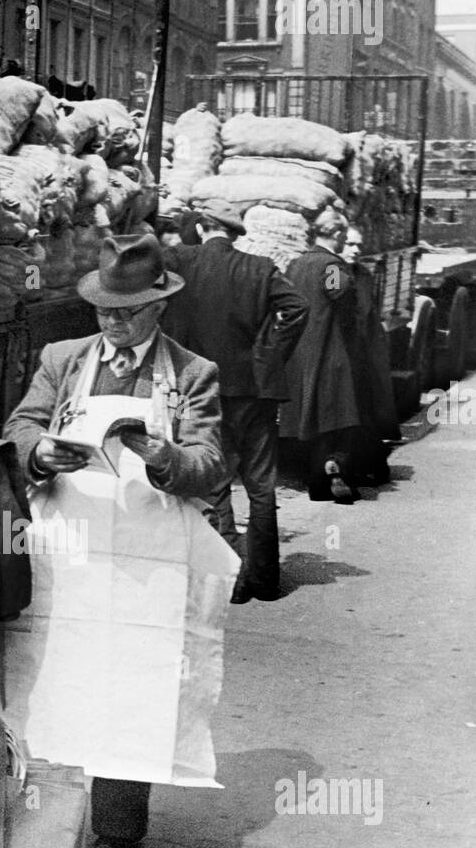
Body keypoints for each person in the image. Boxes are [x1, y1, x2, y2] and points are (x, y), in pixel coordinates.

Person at [0, 232, 235, 848]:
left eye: (127, 311)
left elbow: (210, 463)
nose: (114, 322)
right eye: (105, 309)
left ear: (159, 307)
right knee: (56, 671)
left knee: (134, 680)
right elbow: (21, 423)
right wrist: (39, 452)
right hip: (70, 548)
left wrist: (167, 458)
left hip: (146, 557)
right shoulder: (64, 358)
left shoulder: (191, 374)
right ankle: (44, 808)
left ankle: (117, 825)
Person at [163, 197, 309, 603]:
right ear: (233, 232)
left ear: (204, 226)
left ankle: (231, 577)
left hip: (203, 388)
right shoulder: (259, 268)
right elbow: (298, 307)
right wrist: (271, 350)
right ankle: (263, 580)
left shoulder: (182, 261)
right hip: (256, 390)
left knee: (217, 481)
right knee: (262, 486)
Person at [282, 210, 364, 503]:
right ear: (338, 235)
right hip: (329, 351)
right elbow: (341, 301)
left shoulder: (296, 264)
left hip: (299, 351)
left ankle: (315, 479)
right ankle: (329, 473)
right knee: (334, 418)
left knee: (311, 416)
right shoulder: (330, 266)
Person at [341, 224, 400, 484]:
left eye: (358, 245)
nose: (355, 250)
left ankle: (369, 465)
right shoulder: (333, 271)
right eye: (349, 244)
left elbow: (368, 313)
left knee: (364, 411)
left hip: (362, 354)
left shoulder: (363, 274)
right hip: (343, 354)